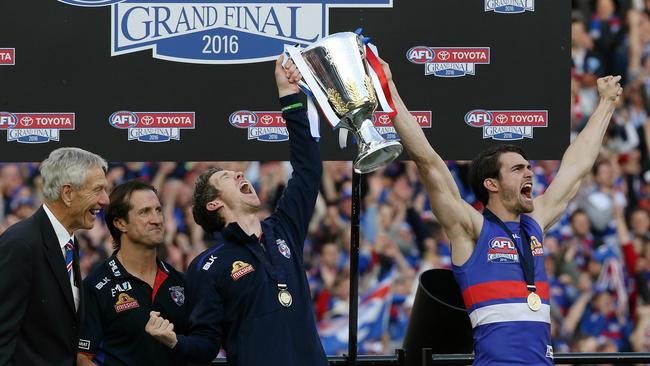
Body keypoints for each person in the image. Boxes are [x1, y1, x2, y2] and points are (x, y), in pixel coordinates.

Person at [382, 57, 622, 365]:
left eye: (529, 168)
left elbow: (577, 167)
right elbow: (427, 161)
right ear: (492, 184)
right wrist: (387, 86)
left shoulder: (534, 224)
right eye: (518, 169)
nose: (529, 174)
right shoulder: (472, 229)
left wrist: (605, 104)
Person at [145, 55, 328, 366]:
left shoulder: (284, 229)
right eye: (227, 177)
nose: (241, 174)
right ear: (214, 203)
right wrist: (173, 341)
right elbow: (205, 344)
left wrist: (289, 98)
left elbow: (308, 169)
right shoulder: (207, 267)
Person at [0, 147, 109, 366]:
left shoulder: (69, 243)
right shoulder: (21, 244)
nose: (105, 200)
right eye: (97, 190)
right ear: (68, 193)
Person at [77, 180, 188, 366]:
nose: (157, 219)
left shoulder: (180, 282)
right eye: (145, 212)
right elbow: (82, 357)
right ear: (120, 223)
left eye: (158, 210)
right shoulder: (96, 286)